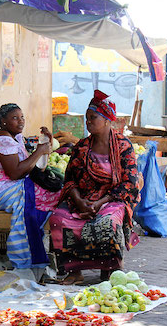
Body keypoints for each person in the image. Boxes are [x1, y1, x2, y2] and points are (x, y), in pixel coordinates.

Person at [49, 90, 140, 284]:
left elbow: (129, 184)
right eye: (87, 118)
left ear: (107, 120)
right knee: (58, 218)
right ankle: (74, 271)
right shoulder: (82, 147)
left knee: (107, 222)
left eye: (93, 118)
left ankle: (109, 269)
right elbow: (70, 180)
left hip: (111, 198)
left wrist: (101, 202)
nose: (88, 122)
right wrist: (80, 201)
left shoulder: (123, 146)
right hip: (83, 199)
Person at [0, 103, 60, 268]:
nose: (21, 121)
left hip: (6, 188)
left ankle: (39, 250)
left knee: (52, 194)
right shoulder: (1, 140)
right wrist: (39, 151)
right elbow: (16, 173)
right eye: (15, 118)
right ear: (3, 121)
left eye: (22, 117)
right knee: (40, 200)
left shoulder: (13, 137)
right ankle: (27, 258)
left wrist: (46, 145)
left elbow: (36, 167)